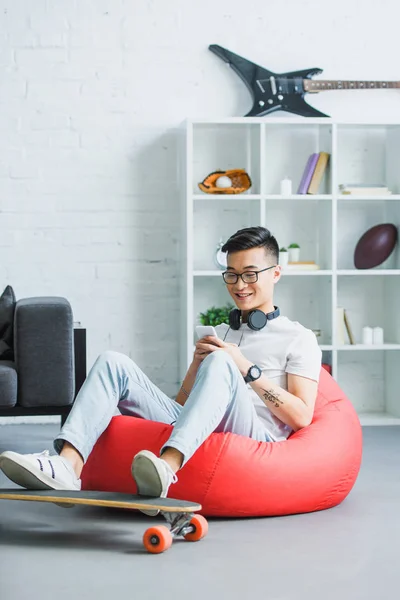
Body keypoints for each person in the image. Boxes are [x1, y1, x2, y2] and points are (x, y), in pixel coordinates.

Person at [0, 226, 322, 504]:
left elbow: (302, 416)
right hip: (201, 431)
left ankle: (166, 468)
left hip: (253, 439)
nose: (239, 285)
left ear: (275, 273)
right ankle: (67, 465)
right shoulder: (224, 332)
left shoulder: (298, 337)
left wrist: (245, 369)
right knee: (113, 362)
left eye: (250, 274)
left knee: (223, 361)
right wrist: (196, 369)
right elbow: (181, 408)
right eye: (232, 275)